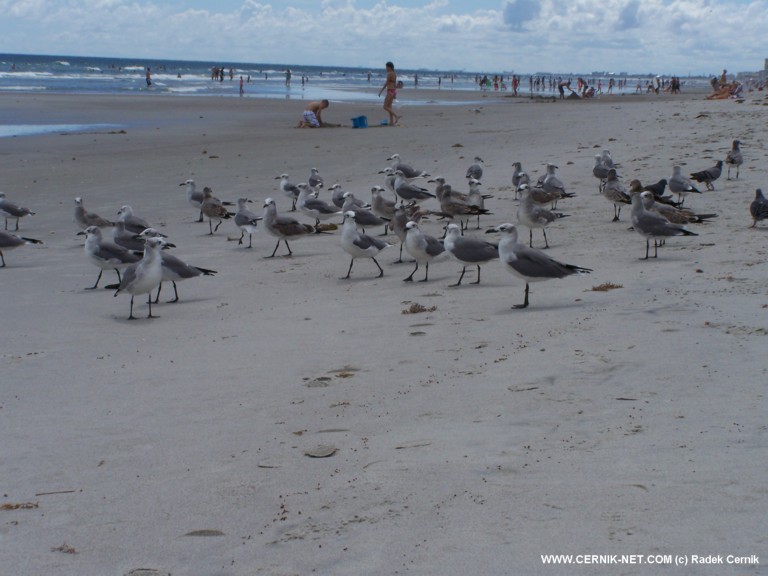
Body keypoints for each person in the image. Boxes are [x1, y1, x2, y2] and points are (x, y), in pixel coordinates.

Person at [378, 61, 401, 125]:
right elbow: (394, 84)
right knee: (389, 107)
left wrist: (381, 91)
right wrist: (395, 94)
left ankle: (396, 116)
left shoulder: (390, 74)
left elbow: (386, 83)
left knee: (385, 106)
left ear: (389, 67)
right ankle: (391, 122)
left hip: (390, 91)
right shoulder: (394, 73)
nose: (386, 68)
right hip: (393, 91)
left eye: (386, 67)